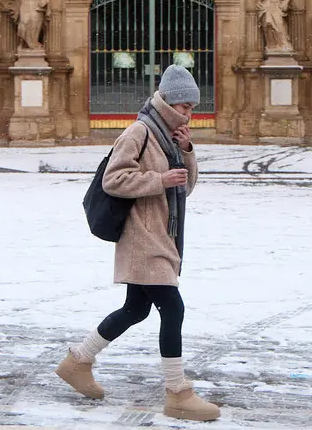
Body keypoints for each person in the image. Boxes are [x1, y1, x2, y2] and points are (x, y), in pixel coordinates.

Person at [55, 65, 219, 422]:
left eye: (193, 107)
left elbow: (185, 188)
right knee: (172, 309)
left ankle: (78, 361)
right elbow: (114, 180)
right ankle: (178, 393)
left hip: (162, 234)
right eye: (186, 106)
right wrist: (159, 179)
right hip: (143, 237)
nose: (190, 113)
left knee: (136, 309)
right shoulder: (140, 132)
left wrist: (187, 150)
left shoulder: (170, 136)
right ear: (169, 103)